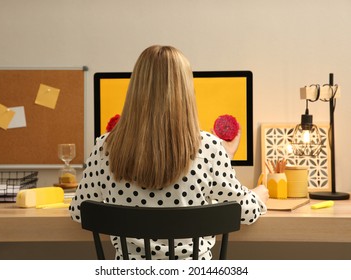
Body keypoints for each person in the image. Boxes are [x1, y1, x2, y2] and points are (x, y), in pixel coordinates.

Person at [69, 45, 268, 260]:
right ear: (186, 90)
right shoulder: (209, 148)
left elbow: (80, 210)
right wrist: (258, 195)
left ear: (135, 88)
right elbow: (244, 212)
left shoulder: (104, 148)